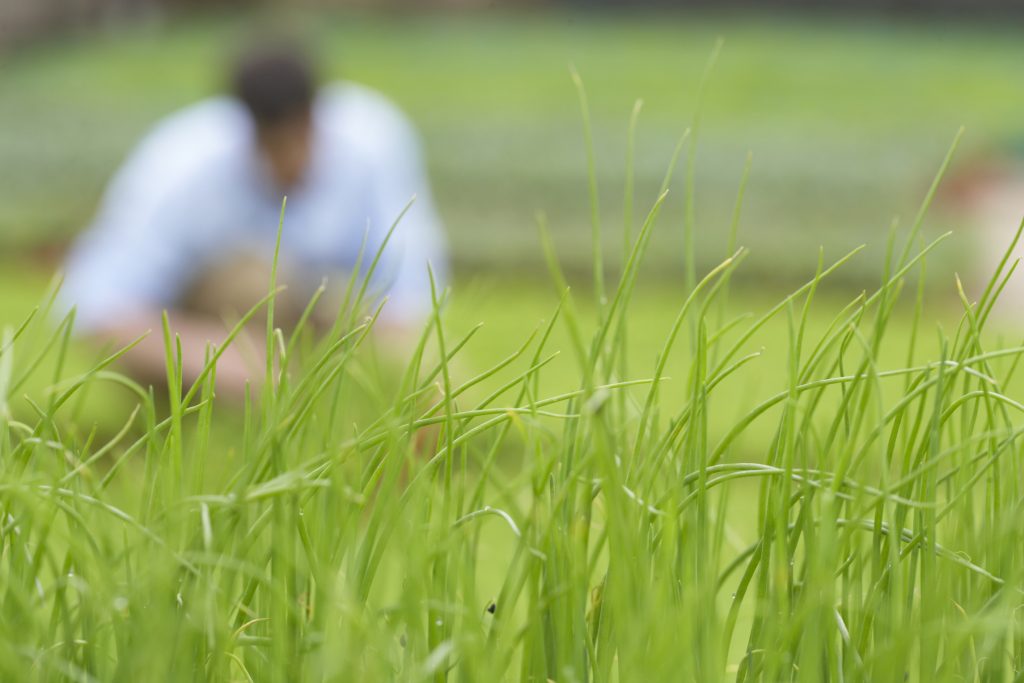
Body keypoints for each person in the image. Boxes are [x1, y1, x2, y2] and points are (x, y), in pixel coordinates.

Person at [59, 42, 447, 396]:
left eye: (301, 138)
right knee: (256, 281)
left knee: (430, 384)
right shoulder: (180, 165)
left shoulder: (373, 140)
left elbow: (407, 293)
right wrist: (219, 360)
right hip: (208, 339)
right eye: (274, 145)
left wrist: (396, 373)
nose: (290, 160)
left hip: (316, 323)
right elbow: (96, 309)